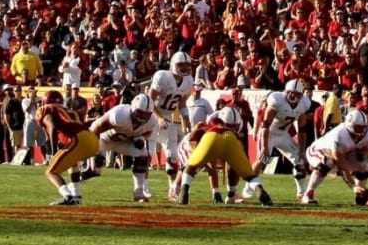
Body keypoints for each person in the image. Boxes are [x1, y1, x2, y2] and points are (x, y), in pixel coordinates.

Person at [179, 106, 271, 206]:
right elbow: (236, 163)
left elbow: (193, 136)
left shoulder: (210, 124)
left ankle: (184, 190)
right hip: (232, 139)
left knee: (190, 168)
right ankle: (257, 189)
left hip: (211, 137)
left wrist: (196, 149)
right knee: (249, 176)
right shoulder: (235, 133)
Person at [247, 77, 313, 202]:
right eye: (290, 92)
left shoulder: (304, 104)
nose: (292, 96)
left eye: (296, 94)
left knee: (299, 160)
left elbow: (302, 129)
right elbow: (265, 125)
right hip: (269, 132)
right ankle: (248, 186)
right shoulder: (277, 100)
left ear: (301, 95)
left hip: (283, 134)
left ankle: (301, 192)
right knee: (262, 159)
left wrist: (302, 149)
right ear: (285, 91)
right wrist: (265, 147)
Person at [90, 93, 158, 202]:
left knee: (142, 154)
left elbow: (148, 132)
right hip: (104, 140)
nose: (143, 118)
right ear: (133, 109)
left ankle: (139, 193)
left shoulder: (151, 121)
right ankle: (75, 185)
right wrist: (96, 151)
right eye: (140, 113)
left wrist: (140, 138)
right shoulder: (120, 115)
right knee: (93, 170)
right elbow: (95, 128)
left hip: (123, 142)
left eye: (146, 114)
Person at [37, 89, 100, 207]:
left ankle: (68, 196)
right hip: (92, 139)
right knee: (73, 164)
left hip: (79, 139)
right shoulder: (70, 111)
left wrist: (52, 151)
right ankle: (77, 196)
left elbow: (52, 126)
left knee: (51, 172)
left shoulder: (46, 109)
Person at [147, 51, 195, 200]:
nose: (185, 69)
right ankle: (143, 188)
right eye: (182, 65)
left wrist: (186, 118)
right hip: (151, 117)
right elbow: (149, 102)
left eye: (187, 65)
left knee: (173, 156)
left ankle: (172, 190)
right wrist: (159, 117)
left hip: (167, 117)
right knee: (147, 154)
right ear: (173, 65)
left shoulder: (188, 81)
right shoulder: (162, 76)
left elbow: (182, 103)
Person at [303, 107, 368, 205]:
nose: (362, 130)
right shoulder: (339, 135)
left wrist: (362, 154)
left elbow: (366, 151)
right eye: (358, 127)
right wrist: (353, 186)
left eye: (363, 127)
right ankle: (308, 193)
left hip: (344, 154)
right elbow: (341, 164)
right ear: (350, 124)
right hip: (318, 151)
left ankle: (360, 195)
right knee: (328, 161)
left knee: (365, 164)